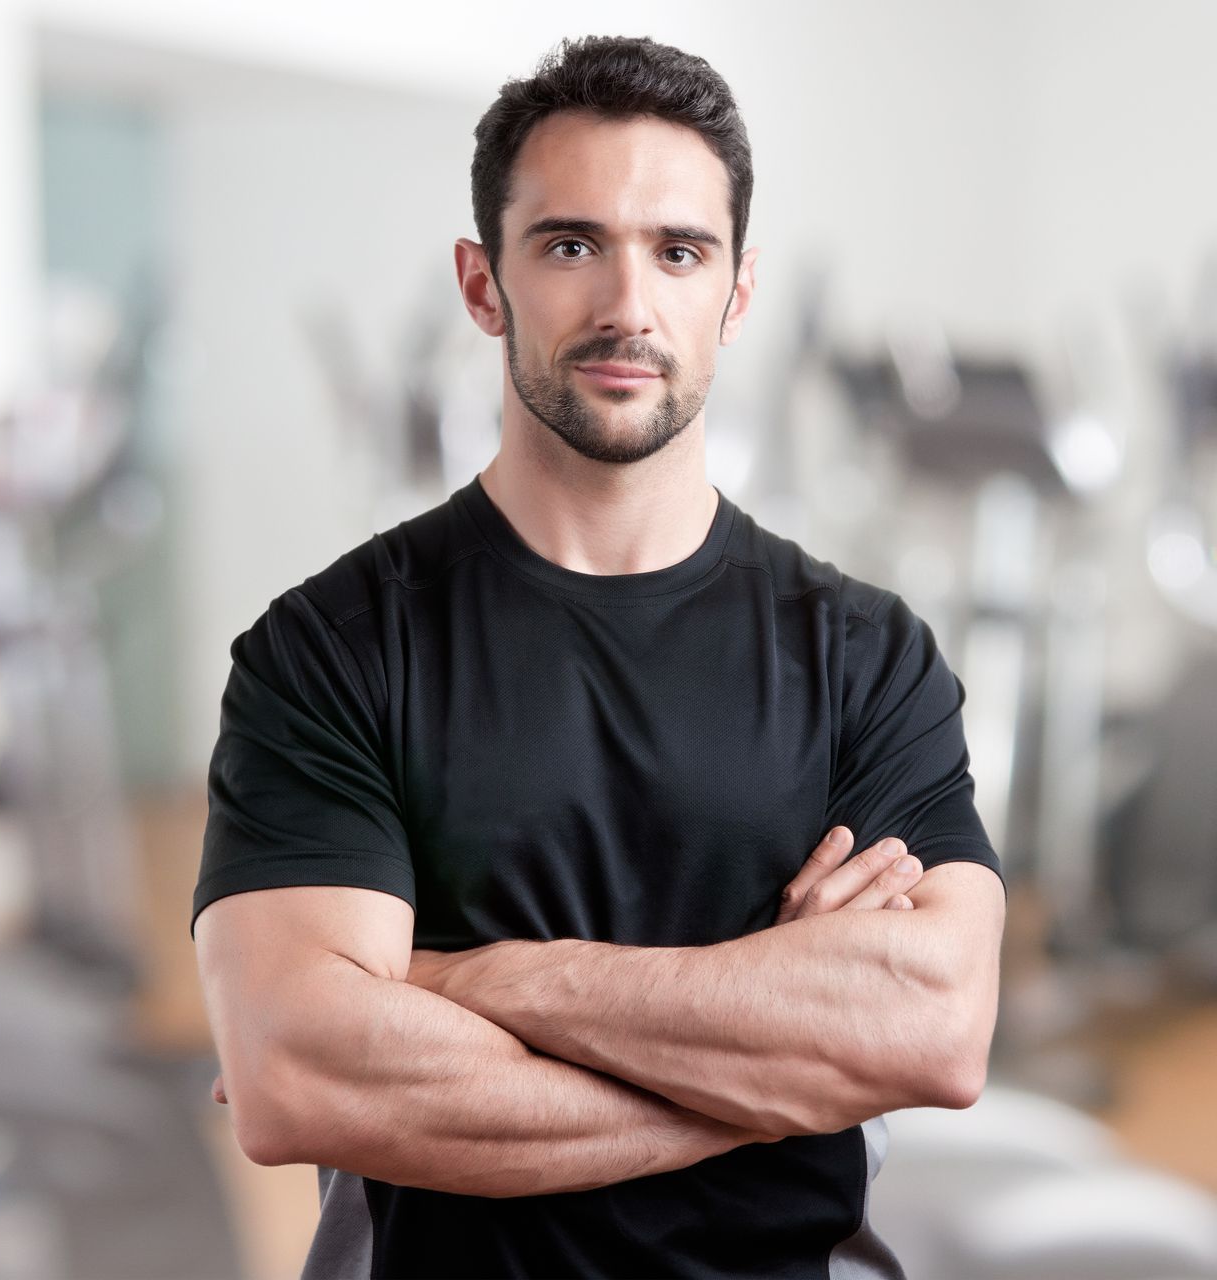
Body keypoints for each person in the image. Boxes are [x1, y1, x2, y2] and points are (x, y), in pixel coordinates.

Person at [191, 34, 1007, 1280]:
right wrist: (772, 1062)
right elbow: (301, 1072)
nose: (629, 306)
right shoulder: (332, 651)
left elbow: (934, 1030)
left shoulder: (866, 655)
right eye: (570, 245)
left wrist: (469, 978)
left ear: (734, 295)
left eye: (678, 252)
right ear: (482, 284)